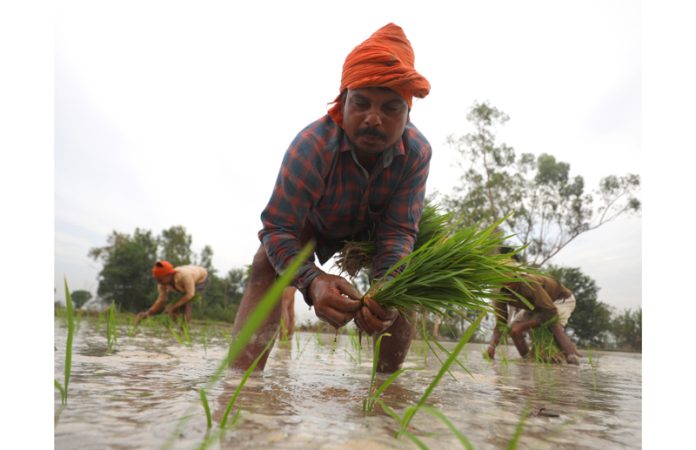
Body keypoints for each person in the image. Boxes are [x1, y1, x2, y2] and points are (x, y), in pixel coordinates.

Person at [231, 23, 431, 373]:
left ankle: (386, 395)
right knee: (265, 262)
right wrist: (312, 281)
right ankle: (240, 385)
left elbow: (399, 231)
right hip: (318, 224)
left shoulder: (416, 153)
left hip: (375, 228)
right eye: (361, 103)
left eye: (390, 109)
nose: (373, 118)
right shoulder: (312, 146)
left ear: (408, 114)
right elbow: (277, 228)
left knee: (402, 286)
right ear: (342, 102)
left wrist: (386, 289)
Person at [486, 252, 580, 365]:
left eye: (509, 281)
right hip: (536, 306)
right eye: (502, 282)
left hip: (560, 300)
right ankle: (527, 360)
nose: (507, 285)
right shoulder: (501, 293)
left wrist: (524, 326)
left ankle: (571, 357)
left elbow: (551, 312)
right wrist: (492, 346)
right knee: (513, 330)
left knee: (553, 324)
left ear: (515, 276)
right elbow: (501, 323)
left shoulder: (529, 283)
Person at [135, 260, 209, 323]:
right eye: (157, 280)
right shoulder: (161, 284)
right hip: (186, 279)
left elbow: (190, 295)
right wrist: (148, 313)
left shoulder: (185, 276)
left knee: (187, 302)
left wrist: (173, 307)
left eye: (160, 279)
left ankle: (184, 327)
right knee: (176, 306)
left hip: (201, 278)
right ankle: (175, 324)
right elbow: (162, 300)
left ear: (169, 275)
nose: (159, 282)